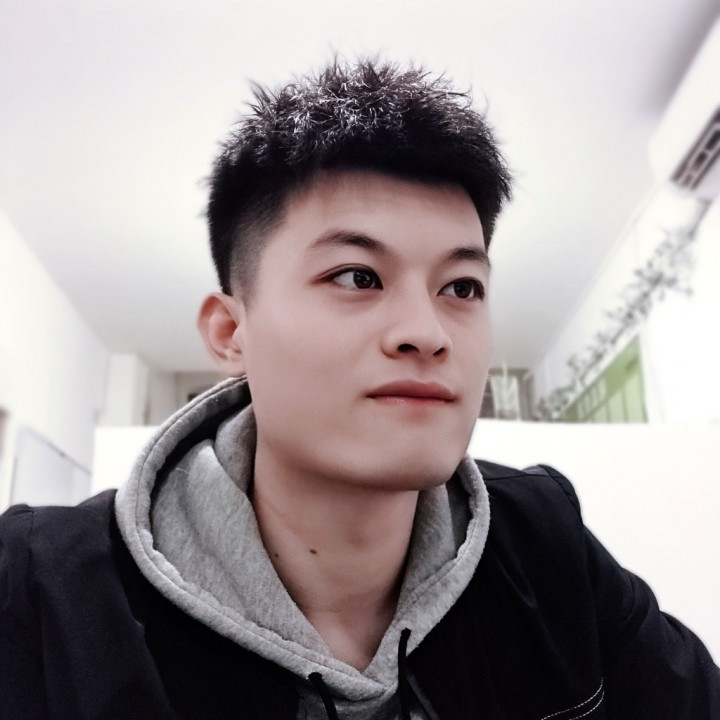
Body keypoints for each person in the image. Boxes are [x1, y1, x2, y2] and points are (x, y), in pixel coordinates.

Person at [1, 58, 718, 720]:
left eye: (462, 287)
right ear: (230, 332)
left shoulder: (542, 539)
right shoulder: (39, 592)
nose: (427, 332)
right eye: (357, 276)